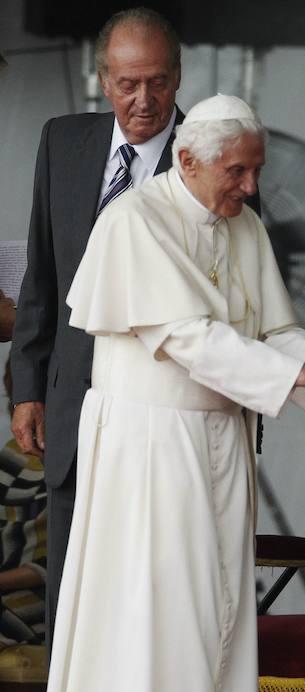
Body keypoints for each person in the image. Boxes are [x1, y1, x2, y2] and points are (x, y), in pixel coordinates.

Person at [30, 93, 305, 692]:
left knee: (205, 623)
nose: (247, 186)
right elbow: (190, 338)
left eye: (253, 170)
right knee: (148, 621)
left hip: (218, 445)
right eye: (235, 171)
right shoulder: (134, 223)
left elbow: (271, 325)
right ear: (187, 161)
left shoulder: (242, 224)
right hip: (149, 451)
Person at [10, 7, 187, 658]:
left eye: (158, 84)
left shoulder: (216, 159)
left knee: (154, 601)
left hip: (165, 419)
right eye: (127, 84)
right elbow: (43, 274)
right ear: (103, 78)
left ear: (178, 77)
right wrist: (27, 385)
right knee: (73, 604)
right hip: (72, 408)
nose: (142, 101)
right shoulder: (63, 141)